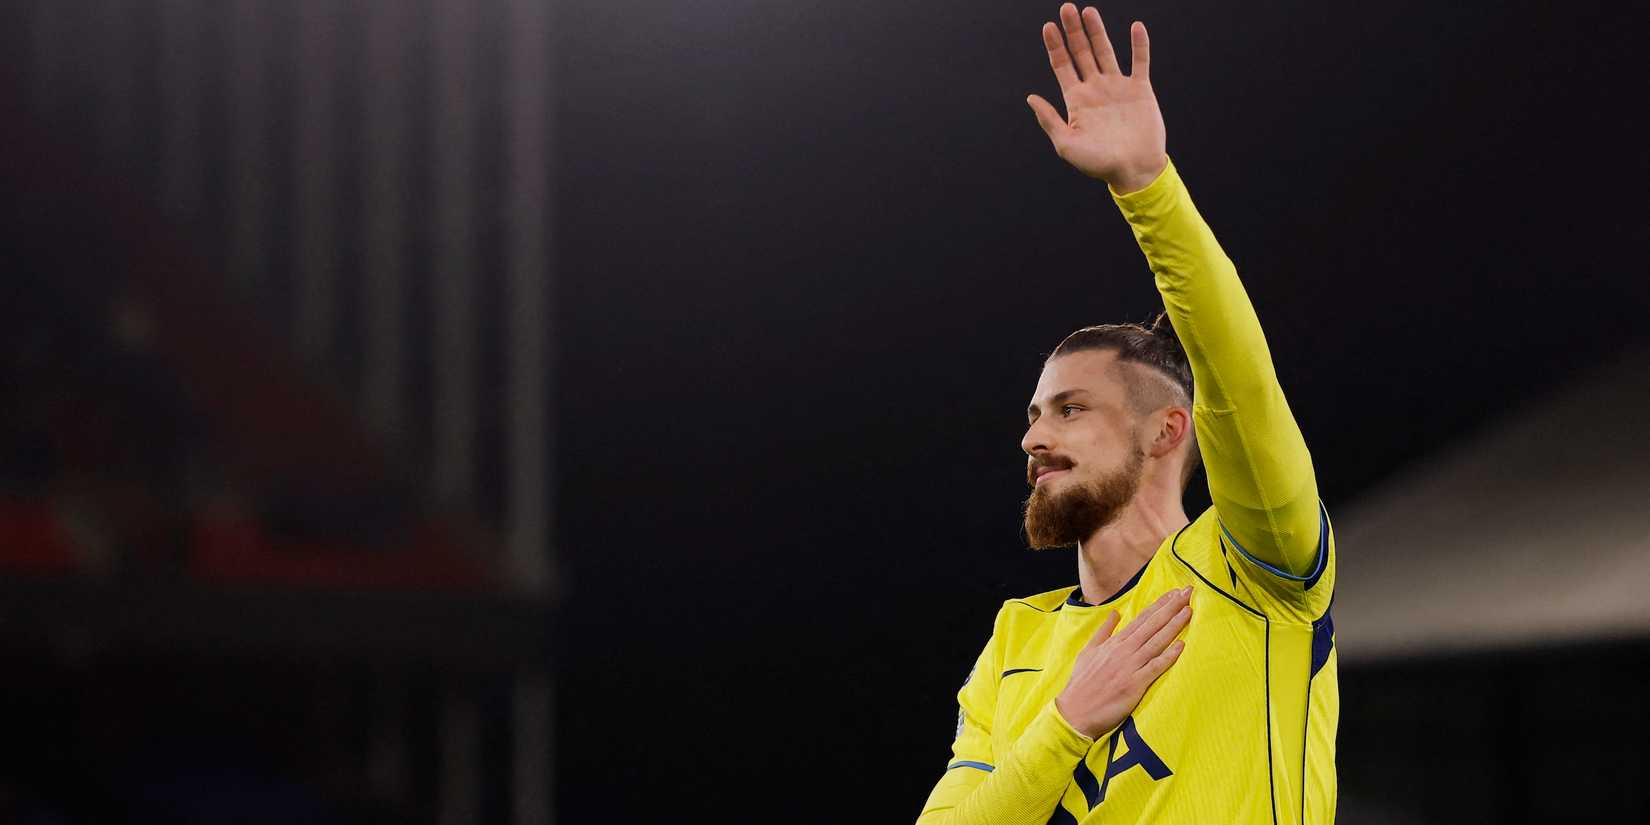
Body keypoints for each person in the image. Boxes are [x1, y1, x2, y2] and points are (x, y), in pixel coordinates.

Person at [914, 5, 1337, 824]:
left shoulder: (1256, 562)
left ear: (1168, 429)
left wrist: (1149, 191)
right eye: (1036, 413)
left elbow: (1239, 377)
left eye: (1071, 409)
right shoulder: (1016, 644)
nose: (1034, 437)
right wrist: (1068, 722)